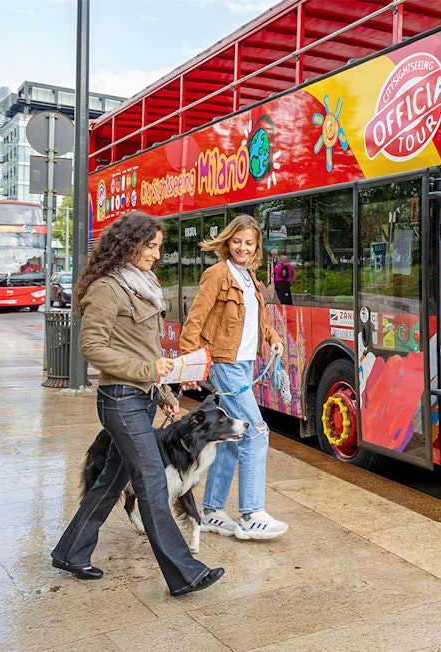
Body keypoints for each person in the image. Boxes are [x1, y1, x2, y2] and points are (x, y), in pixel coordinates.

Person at [51, 211, 224, 597]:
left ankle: (70, 551)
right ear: (129, 244)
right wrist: (148, 368)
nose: (156, 255)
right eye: (151, 246)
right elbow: (91, 348)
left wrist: (161, 392)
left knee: (110, 482)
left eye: (159, 248)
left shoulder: (142, 285)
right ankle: (185, 573)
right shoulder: (106, 289)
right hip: (120, 401)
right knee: (150, 483)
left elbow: (142, 348)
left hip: (142, 399)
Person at [180, 214, 288, 540]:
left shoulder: (250, 278)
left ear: (256, 247)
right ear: (228, 241)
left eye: (248, 243)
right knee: (256, 431)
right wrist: (189, 364)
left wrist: (272, 338)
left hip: (243, 365)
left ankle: (211, 511)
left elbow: (255, 321)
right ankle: (252, 513)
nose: (242, 247)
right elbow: (194, 321)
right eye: (237, 241)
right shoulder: (217, 274)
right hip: (224, 363)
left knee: (231, 439)